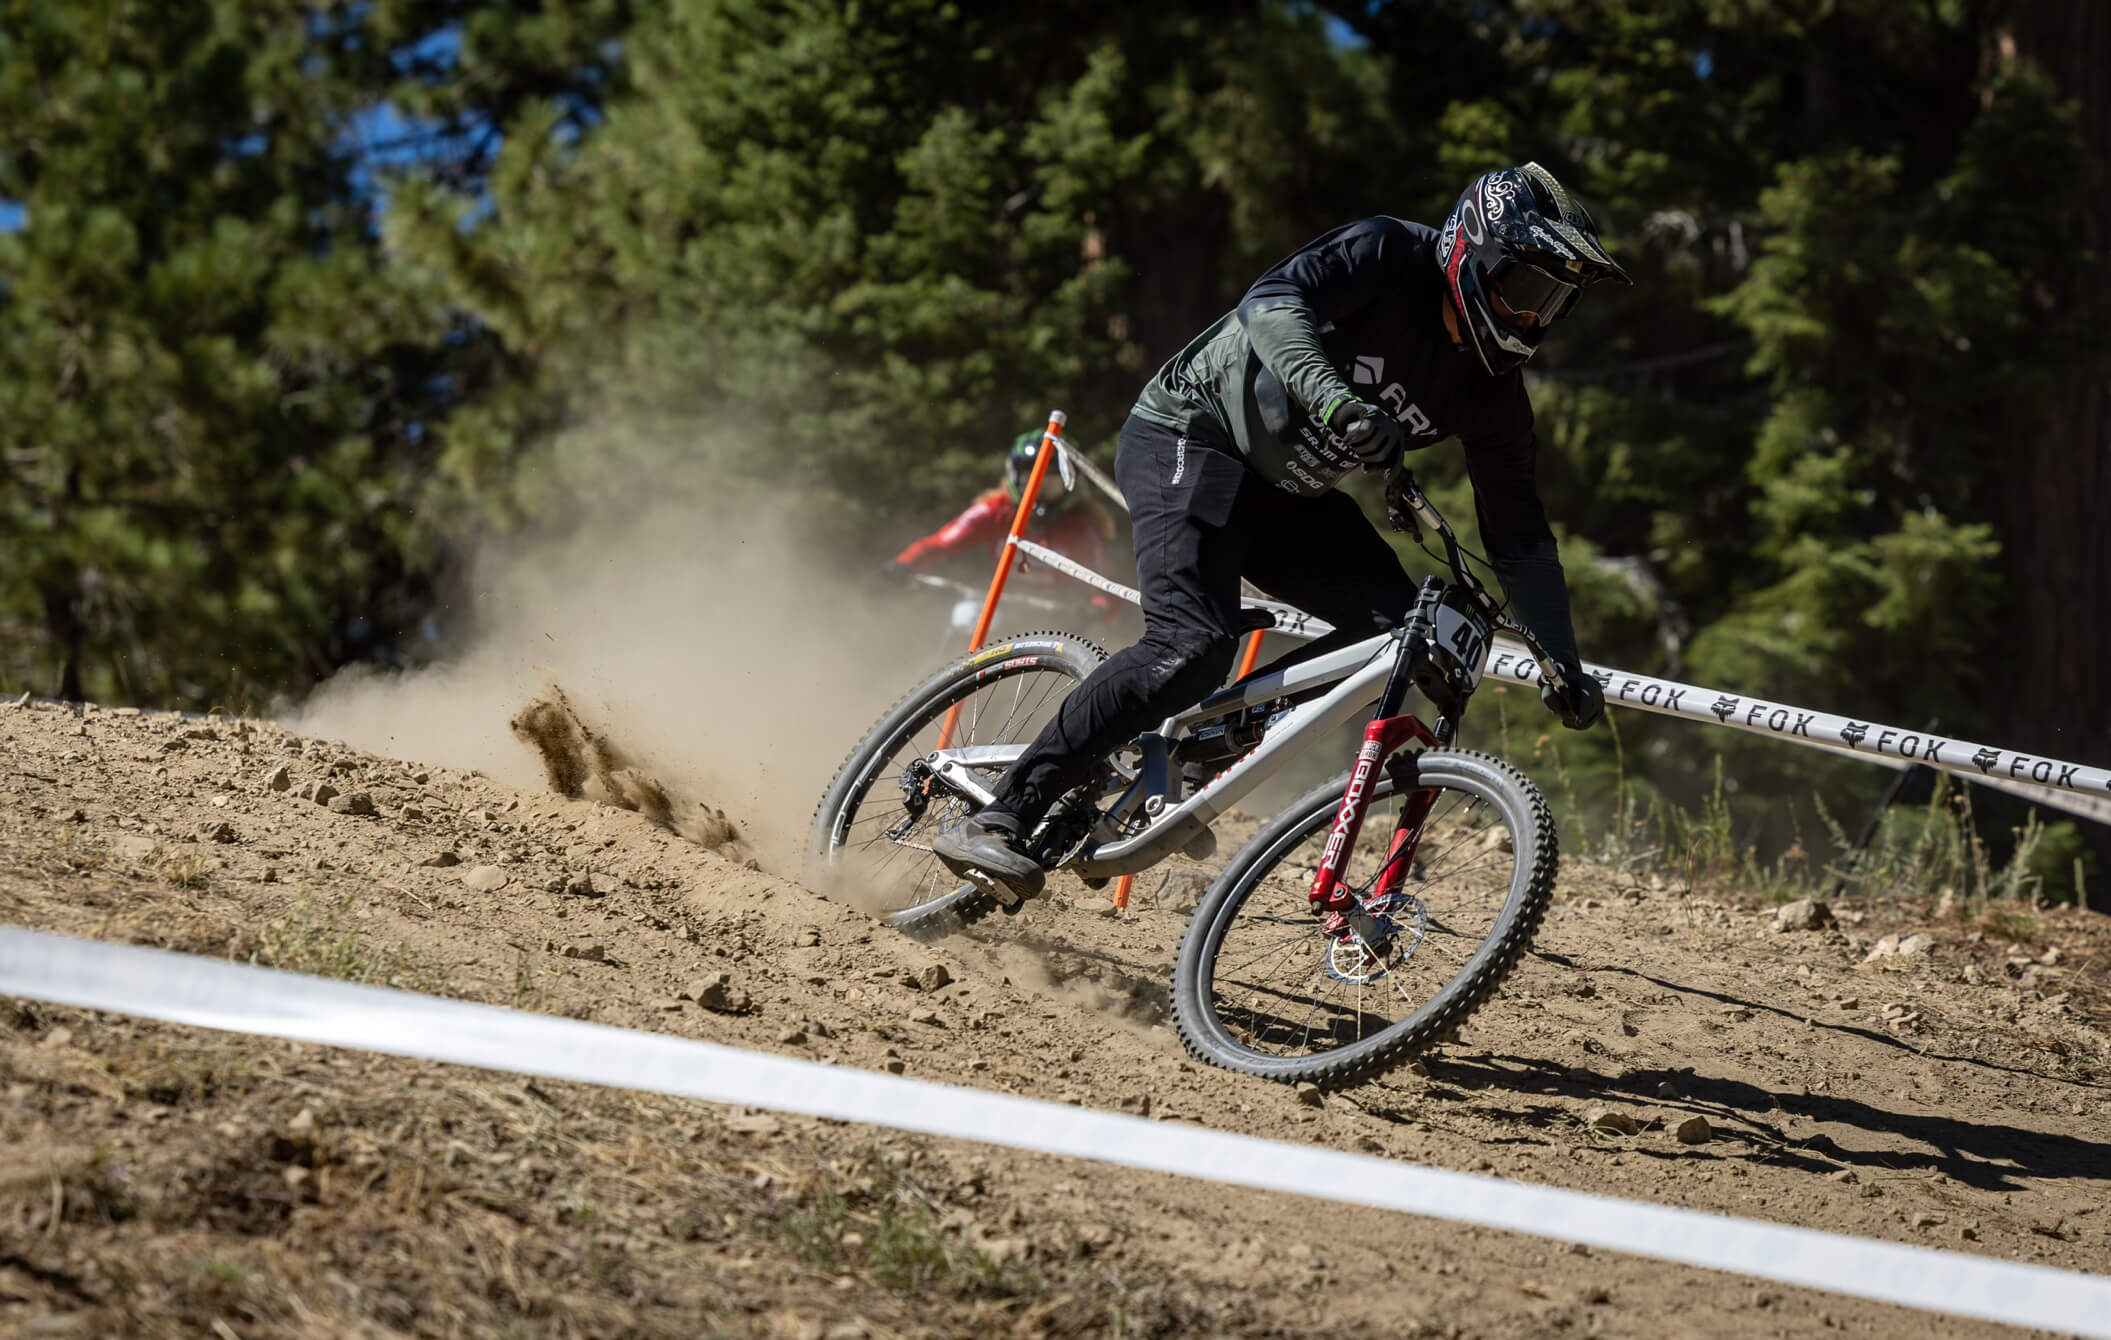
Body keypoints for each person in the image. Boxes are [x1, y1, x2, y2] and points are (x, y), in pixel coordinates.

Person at [935, 162, 1626, 904]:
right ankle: (1003, 815)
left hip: (1288, 493)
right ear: (1474, 254)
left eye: (1554, 306)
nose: (1533, 321)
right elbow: (1269, 304)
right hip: (1193, 437)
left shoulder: (1492, 395)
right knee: (1190, 646)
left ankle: (1196, 754)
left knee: (1397, 632)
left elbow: (1519, 535)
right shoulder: (1386, 252)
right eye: (1528, 293)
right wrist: (1336, 404)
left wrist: (1563, 661)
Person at [891, 432, 1120, 630]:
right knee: (966, 618)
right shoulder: (995, 511)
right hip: (995, 605)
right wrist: (902, 565)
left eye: (1051, 483)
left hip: (1054, 615)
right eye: (1030, 481)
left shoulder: (1081, 526)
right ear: (1014, 478)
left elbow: (1104, 586)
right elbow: (939, 544)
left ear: (1071, 483)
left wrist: (1095, 611)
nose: (1039, 492)